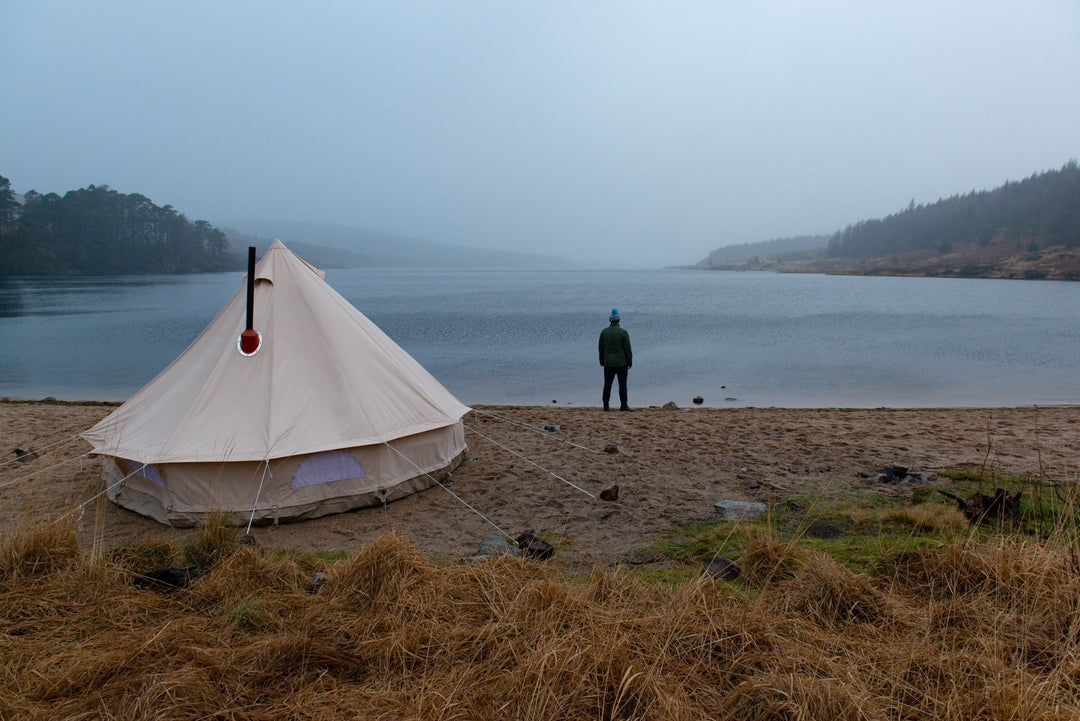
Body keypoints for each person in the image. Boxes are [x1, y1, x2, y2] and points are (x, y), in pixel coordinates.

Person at [598, 307, 633, 411]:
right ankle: (623, 405)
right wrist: (629, 361)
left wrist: (602, 361)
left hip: (608, 363)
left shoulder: (604, 332)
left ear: (610, 320)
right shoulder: (623, 332)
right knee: (622, 385)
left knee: (607, 384)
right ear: (619, 320)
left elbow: (601, 349)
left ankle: (606, 406)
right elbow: (627, 349)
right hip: (621, 363)